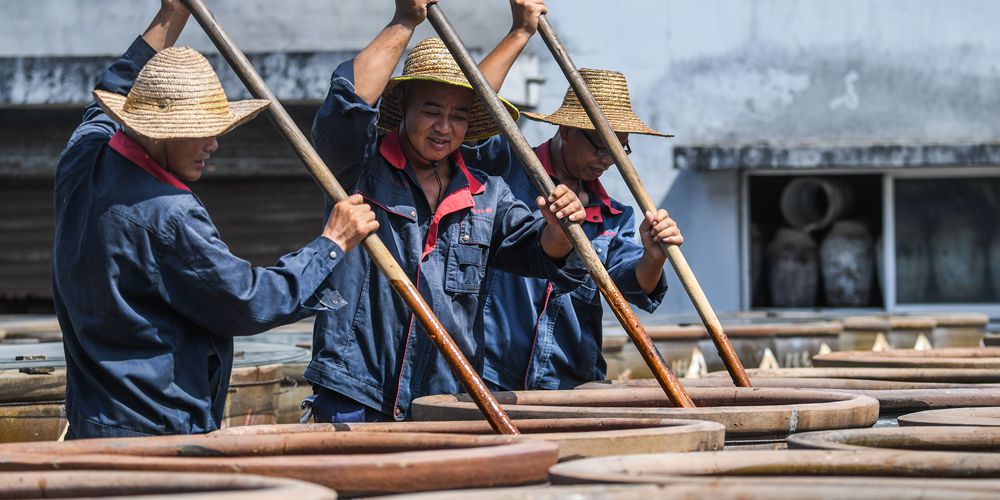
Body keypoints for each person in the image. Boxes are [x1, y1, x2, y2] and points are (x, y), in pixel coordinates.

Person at [52, 1, 378, 439]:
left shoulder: (83, 155)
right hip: (156, 432)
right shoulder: (169, 214)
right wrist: (331, 244)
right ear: (157, 131)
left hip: (93, 419)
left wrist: (173, 14)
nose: (214, 144)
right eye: (201, 130)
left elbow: (116, 83)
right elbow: (248, 301)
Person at [305, 0, 585, 422]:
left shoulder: (486, 194)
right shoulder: (358, 173)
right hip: (355, 394)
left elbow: (541, 252)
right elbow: (347, 106)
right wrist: (404, 21)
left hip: (445, 401)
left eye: (458, 117)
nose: (443, 128)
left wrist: (560, 228)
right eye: (431, 111)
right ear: (403, 111)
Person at [464, 67, 684, 391]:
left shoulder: (612, 216)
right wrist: (520, 32)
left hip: (570, 384)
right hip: (490, 378)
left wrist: (654, 257)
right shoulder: (504, 172)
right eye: (601, 146)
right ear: (566, 131)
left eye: (620, 148)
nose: (609, 159)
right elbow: (470, 111)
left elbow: (632, 285)